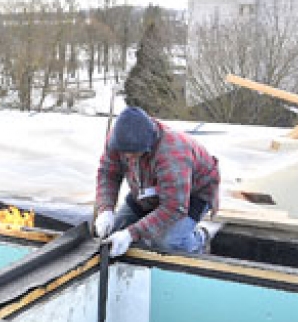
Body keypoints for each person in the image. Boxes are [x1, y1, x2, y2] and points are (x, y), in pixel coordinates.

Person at [93, 106, 221, 258]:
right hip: (147, 190)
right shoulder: (117, 139)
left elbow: (174, 208)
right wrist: (105, 209)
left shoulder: (172, 154)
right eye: (124, 153)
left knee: (167, 242)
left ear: (148, 144)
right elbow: (108, 172)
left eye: (133, 153)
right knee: (114, 232)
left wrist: (131, 233)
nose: (128, 157)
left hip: (192, 194)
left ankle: (200, 240)